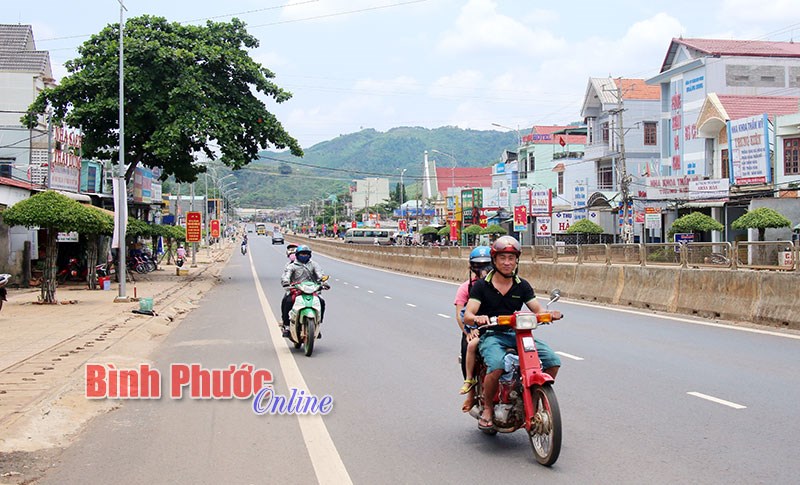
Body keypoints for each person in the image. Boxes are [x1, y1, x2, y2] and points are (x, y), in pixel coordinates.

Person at [463, 235, 562, 431]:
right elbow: (468, 315)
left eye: (511, 258)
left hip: (518, 334)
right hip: (491, 335)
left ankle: (532, 397)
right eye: (502, 258)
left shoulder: (522, 285)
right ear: (494, 260)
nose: (507, 262)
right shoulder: (482, 286)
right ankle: (488, 408)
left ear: (517, 260)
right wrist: (477, 318)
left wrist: (549, 314)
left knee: (552, 360)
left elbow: (537, 309)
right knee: (497, 365)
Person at [455, 246, 493, 413]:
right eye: (478, 265)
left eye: (487, 264)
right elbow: (460, 315)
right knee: (467, 348)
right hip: (474, 328)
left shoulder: (502, 284)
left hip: (498, 326)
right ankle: (471, 392)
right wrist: (468, 331)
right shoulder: (467, 288)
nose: (483, 269)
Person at [280, 245, 327, 338]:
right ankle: (287, 326)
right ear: (297, 255)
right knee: (287, 301)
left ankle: (317, 324)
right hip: (296, 290)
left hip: (312, 290)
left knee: (321, 302)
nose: (304, 256)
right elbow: (286, 275)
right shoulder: (292, 266)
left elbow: (320, 275)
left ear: (309, 255)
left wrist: (324, 282)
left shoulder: (314, 265)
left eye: (306, 254)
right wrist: (286, 282)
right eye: (302, 254)